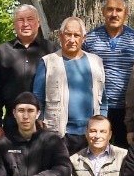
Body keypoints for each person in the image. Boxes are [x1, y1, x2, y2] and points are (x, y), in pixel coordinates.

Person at [82, 0, 134, 146]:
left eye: (118, 10)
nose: (114, 14)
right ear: (102, 11)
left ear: (125, 13)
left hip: (128, 110)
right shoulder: (90, 39)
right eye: (110, 9)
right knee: (96, 151)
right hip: (97, 107)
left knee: (125, 154)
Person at [32, 17, 105, 153]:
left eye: (76, 35)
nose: (72, 40)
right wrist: (39, 122)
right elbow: (37, 97)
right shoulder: (48, 62)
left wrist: (103, 122)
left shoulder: (96, 62)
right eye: (68, 34)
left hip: (91, 133)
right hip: (59, 133)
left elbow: (104, 99)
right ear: (61, 35)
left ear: (83, 38)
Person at [0, 4, 59, 137]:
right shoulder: (2, 52)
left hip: (45, 123)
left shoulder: (52, 50)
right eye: (20, 20)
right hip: (11, 123)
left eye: (30, 19)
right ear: (14, 24)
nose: (25, 24)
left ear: (38, 23)